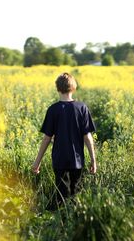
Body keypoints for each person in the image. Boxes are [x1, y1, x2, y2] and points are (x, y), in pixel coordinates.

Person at [32, 72, 97, 208]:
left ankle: (60, 223)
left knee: (61, 196)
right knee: (76, 197)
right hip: (77, 160)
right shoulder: (82, 108)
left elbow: (46, 139)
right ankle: (74, 223)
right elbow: (88, 137)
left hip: (59, 160)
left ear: (57, 88)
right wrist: (93, 160)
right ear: (73, 87)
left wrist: (37, 162)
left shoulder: (53, 110)